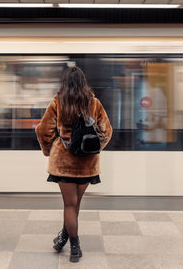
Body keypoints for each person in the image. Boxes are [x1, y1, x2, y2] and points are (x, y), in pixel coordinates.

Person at [35, 66, 113, 262]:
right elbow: (107, 131)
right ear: (83, 82)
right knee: (75, 204)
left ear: (65, 83)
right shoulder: (94, 103)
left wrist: (48, 150)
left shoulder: (58, 102)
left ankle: (75, 247)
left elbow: (44, 131)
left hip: (64, 163)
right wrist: (94, 148)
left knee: (69, 205)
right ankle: (63, 238)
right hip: (87, 164)